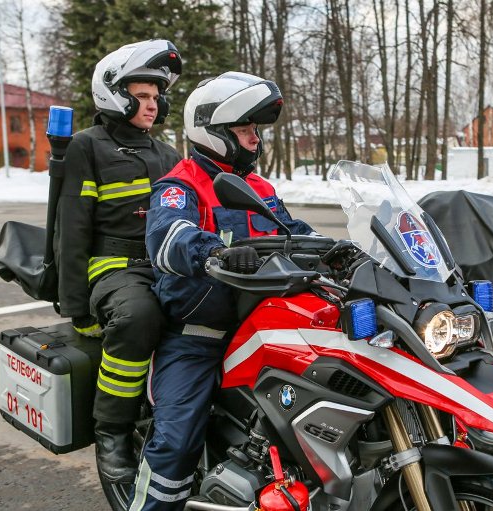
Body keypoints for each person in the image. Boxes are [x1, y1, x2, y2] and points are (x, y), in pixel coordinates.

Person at [128, 72, 315, 510]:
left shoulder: (261, 189)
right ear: (213, 131)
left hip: (262, 329)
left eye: (255, 130)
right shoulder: (182, 184)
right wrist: (218, 251)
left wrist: (344, 251)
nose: (254, 139)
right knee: (175, 442)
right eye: (245, 129)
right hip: (198, 335)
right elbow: (167, 238)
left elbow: (296, 234)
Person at [54, 39, 183, 483]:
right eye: (141, 95)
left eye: (155, 97)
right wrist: (76, 307)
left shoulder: (169, 156)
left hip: (164, 264)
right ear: (114, 92)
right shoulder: (87, 147)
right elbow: (71, 230)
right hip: (110, 265)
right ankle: (112, 430)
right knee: (138, 317)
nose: (152, 105)